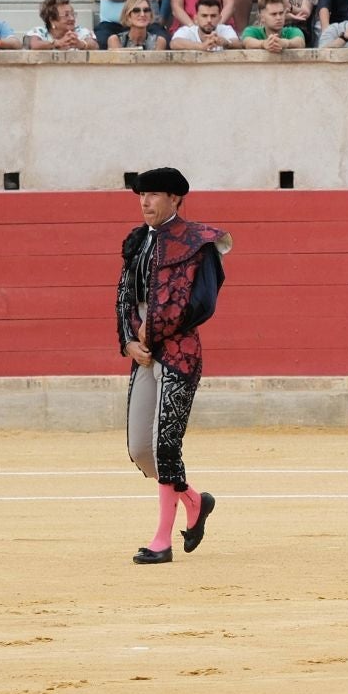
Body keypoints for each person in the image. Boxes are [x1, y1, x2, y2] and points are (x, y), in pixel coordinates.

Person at [115, 168, 232, 563]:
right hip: (143, 352)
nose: (145, 202)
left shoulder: (199, 242)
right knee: (140, 448)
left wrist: (154, 332)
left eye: (154, 195)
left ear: (176, 199)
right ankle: (195, 502)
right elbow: (123, 299)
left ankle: (162, 540)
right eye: (141, 195)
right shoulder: (136, 241)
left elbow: (203, 303)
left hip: (179, 351)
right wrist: (130, 341)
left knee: (166, 445)